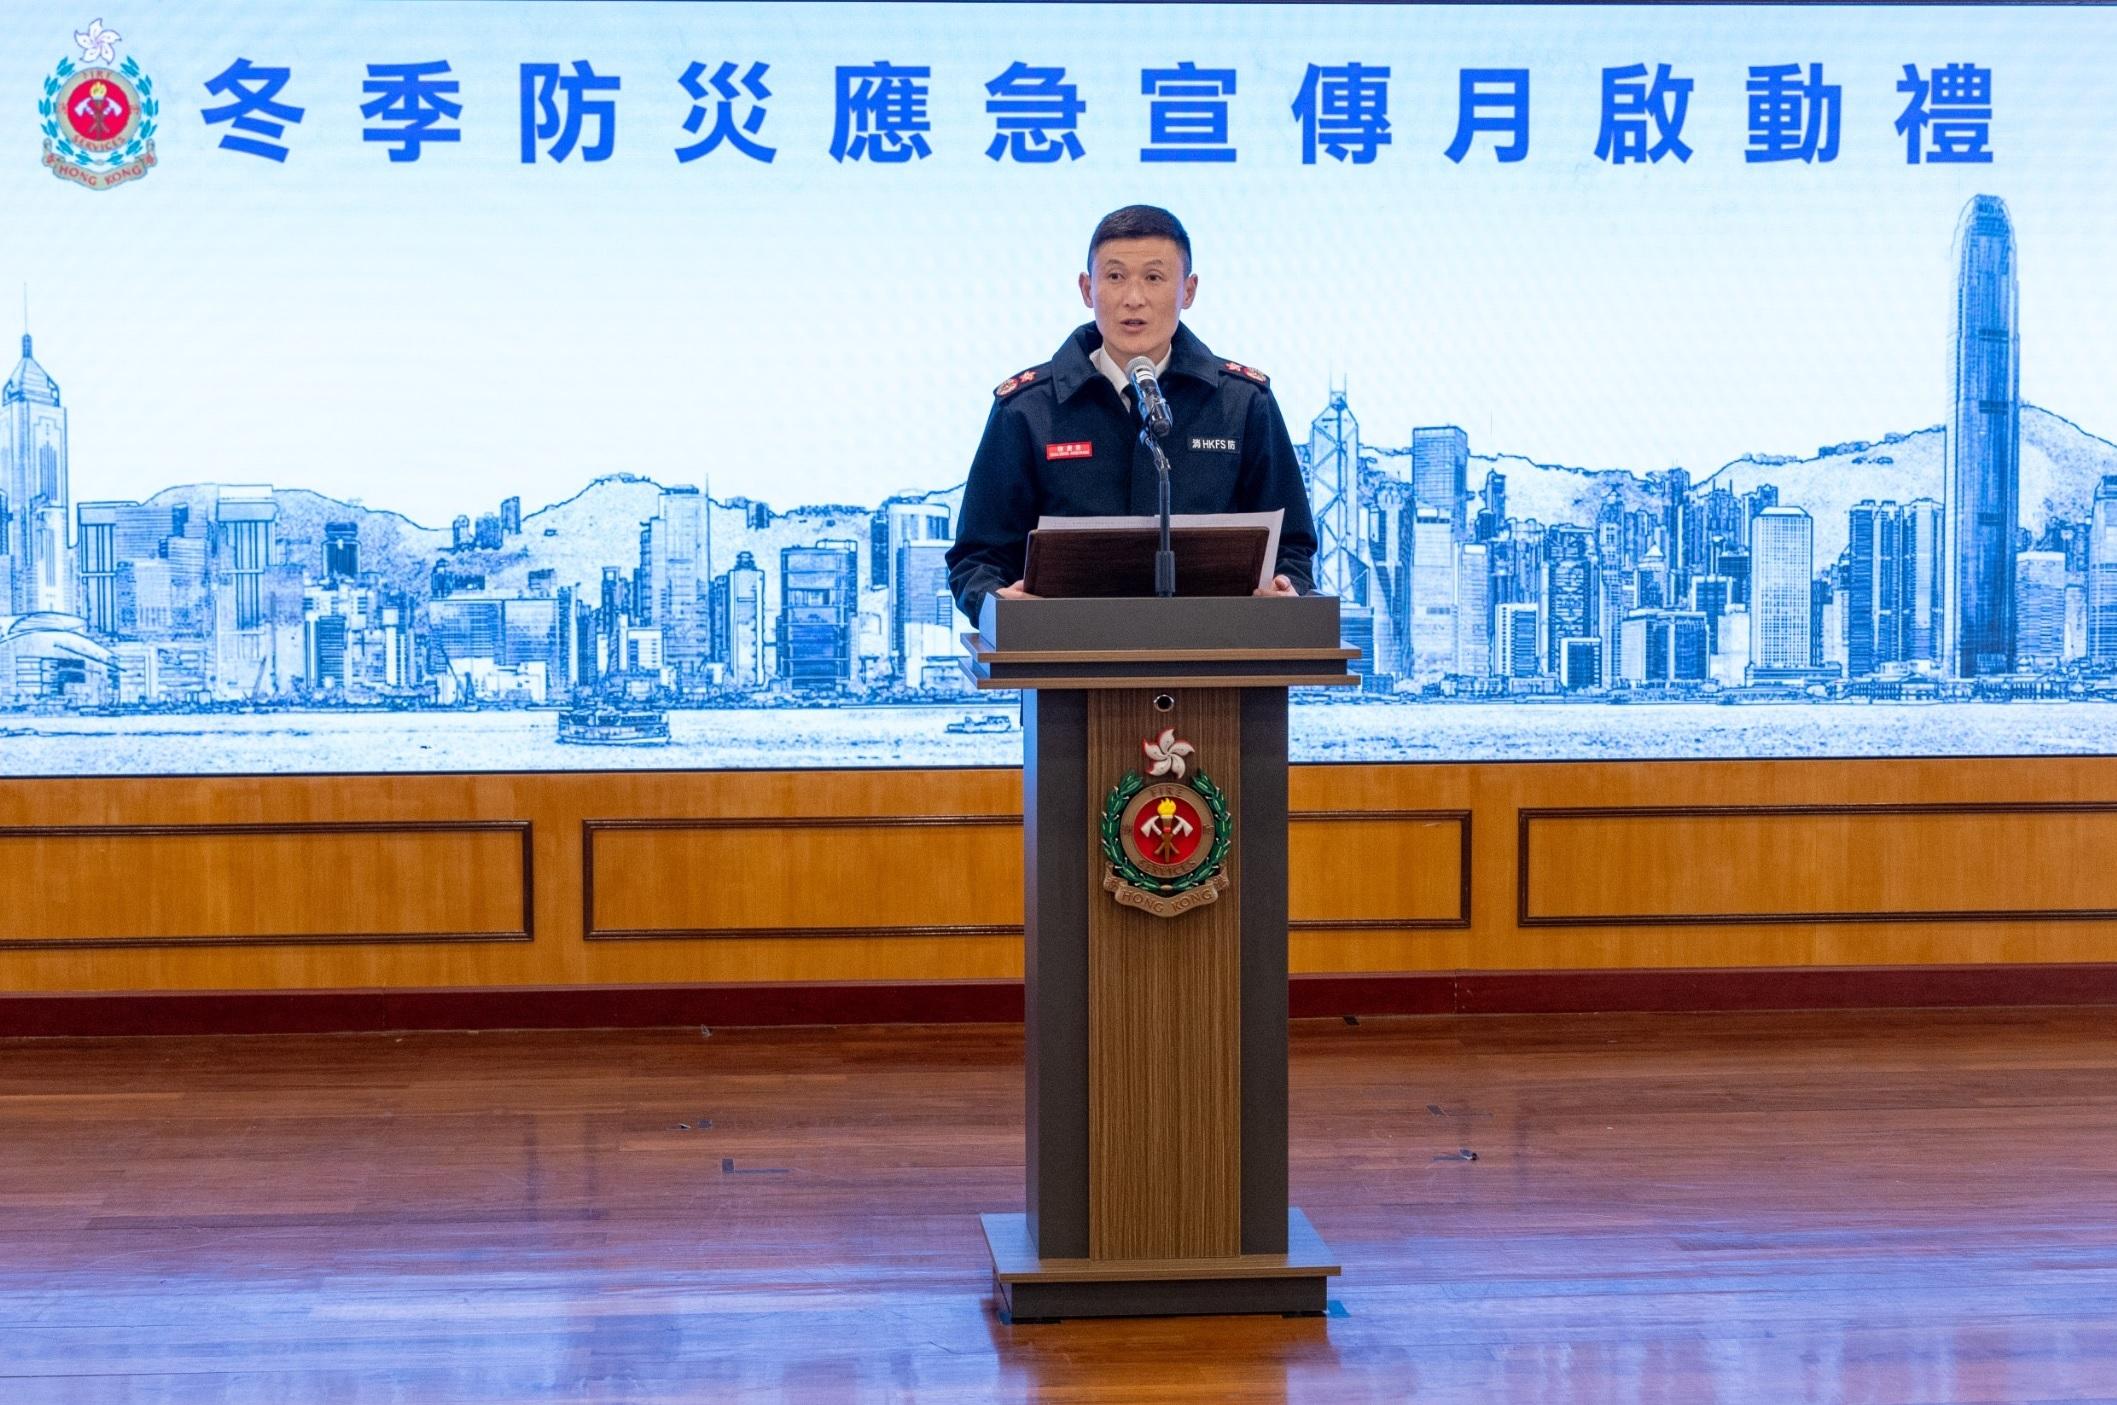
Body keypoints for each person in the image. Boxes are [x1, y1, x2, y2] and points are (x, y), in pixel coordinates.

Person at [946, 204, 1319, 626]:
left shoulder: (1242, 403)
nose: (1134, 297)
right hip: (1067, 660)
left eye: (1155, 278)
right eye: (1115, 276)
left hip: (1221, 656)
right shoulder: (1028, 409)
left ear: (1189, 290)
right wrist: (995, 603)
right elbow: (977, 558)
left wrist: (1288, 589)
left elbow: (1291, 546)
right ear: (1088, 289)